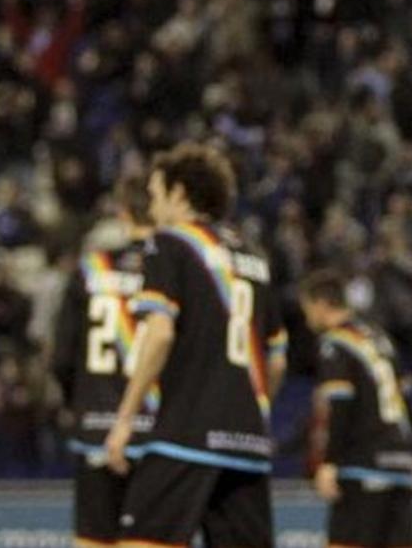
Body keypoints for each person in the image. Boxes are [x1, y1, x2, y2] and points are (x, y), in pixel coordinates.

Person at [104, 142, 288, 547]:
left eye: (155, 195)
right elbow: (275, 360)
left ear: (179, 193)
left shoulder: (170, 243)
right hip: (248, 442)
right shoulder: (254, 258)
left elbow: (160, 333)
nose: (152, 208)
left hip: (184, 434)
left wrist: (124, 419)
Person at [53, 174, 156, 546]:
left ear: (122, 212)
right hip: (158, 433)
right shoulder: (176, 271)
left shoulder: (91, 269)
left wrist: (76, 403)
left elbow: (61, 356)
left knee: (94, 538)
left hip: (96, 427)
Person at [300, 269, 412, 548]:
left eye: (307, 309)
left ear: (320, 304)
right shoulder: (379, 338)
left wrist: (329, 461)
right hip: (400, 462)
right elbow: (403, 394)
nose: (307, 318)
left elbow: (339, 403)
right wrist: (411, 454)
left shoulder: (336, 343)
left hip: (362, 465)